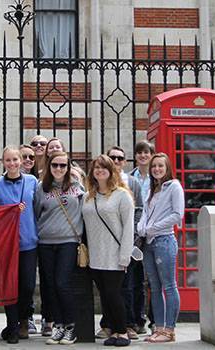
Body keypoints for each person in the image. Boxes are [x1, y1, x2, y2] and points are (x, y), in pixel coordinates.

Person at [82, 154, 134, 347]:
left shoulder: (122, 195)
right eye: (96, 167)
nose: (100, 170)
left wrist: (125, 256)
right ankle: (111, 330)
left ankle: (123, 332)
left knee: (114, 294)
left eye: (104, 167)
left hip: (115, 254)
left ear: (111, 171)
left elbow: (128, 227)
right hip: (95, 256)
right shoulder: (88, 196)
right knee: (104, 295)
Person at [0, 146, 38, 344]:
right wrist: (8, 211)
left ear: (21, 161)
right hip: (7, 244)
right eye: (8, 160)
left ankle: (23, 319)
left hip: (29, 242)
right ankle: (12, 325)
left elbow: (39, 208)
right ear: (3, 162)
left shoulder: (32, 181)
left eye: (15, 160)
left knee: (27, 286)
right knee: (10, 285)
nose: (12, 164)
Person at [34, 151, 85, 345]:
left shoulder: (76, 186)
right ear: (49, 166)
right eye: (55, 165)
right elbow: (37, 212)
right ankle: (58, 326)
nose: (58, 169)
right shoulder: (41, 188)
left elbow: (84, 211)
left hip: (69, 241)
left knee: (62, 283)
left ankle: (71, 326)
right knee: (51, 285)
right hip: (46, 242)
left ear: (68, 167)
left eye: (63, 165)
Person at [98, 146, 145, 340]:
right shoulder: (100, 185)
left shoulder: (132, 183)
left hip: (127, 243)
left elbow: (139, 210)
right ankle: (108, 323)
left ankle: (128, 324)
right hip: (105, 245)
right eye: (112, 158)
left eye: (120, 158)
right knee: (106, 288)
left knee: (126, 286)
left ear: (124, 162)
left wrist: (132, 238)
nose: (116, 161)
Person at [136, 153, 183, 343]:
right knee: (154, 288)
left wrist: (151, 229)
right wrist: (141, 228)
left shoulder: (174, 187)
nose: (156, 169)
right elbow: (145, 214)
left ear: (167, 168)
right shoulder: (151, 190)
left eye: (160, 166)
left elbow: (177, 215)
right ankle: (159, 328)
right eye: (154, 166)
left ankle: (169, 330)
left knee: (169, 286)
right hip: (148, 242)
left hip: (164, 240)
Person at [128, 140, 155, 331]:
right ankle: (138, 319)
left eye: (146, 152)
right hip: (135, 232)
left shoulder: (158, 178)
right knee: (136, 278)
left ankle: (155, 320)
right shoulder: (130, 178)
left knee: (153, 279)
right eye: (139, 153)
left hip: (153, 231)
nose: (143, 156)